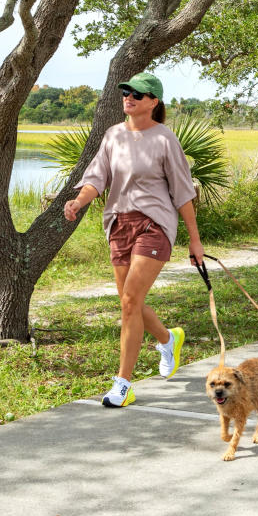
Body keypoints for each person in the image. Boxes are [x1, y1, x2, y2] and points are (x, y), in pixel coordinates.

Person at [63, 71, 205, 408]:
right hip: (118, 223)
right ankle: (168, 339)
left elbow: (183, 193)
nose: (129, 97)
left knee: (129, 301)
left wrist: (194, 241)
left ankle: (123, 384)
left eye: (137, 94)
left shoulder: (164, 139)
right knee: (132, 302)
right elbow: (97, 178)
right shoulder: (113, 136)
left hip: (155, 223)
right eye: (126, 92)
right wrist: (79, 202)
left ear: (153, 102)